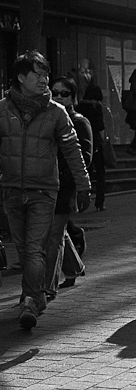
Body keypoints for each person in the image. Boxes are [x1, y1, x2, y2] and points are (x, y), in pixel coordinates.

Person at [0, 51, 91, 329]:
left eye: (46, 75)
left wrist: (84, 185)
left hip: (43, 192)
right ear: (21, 77)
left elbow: (73, 150)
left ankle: (30, 300)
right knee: (23, 249)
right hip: (12, 189)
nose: (44, 80)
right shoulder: (2, 109)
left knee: (35, 249)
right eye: (38, 74)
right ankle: (36, 296)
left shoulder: (56, 112)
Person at [44, 77, 93, 298]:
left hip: (65, 186)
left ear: (73, 97)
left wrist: (78, 184)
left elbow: (85, 157)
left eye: (64, 93)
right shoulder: (49, 119)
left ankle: (47, 287)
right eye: (55, 92)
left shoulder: (79, 122)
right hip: (46, 184)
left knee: (53, 235)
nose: (59, 97)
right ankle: (73, 268)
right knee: (57, 232)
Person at [77, 84, 108, 211]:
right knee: (100, 173)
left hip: (82, 141)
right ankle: (99, 203)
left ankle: (81, 201)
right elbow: (100, 126)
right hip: (95, 142)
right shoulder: (97, 106)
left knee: (85, 171)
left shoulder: (79, 106)